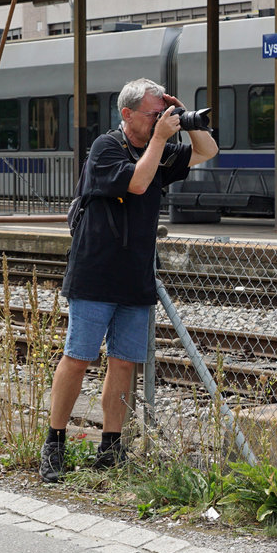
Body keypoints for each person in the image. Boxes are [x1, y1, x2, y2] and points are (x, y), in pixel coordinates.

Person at [40, 78, 218, 482]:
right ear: (127, 114)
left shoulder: (158, 148)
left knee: (124, 363)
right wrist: (159, 139)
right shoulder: (105, 148)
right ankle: (54, 444)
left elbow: (208, 151)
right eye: (155, 113)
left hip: (135, 274)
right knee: (79, 357)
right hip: (95, 273)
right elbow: (138, 182)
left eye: (163, 113)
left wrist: (185, 117)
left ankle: (112, 447)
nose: (161, 119)